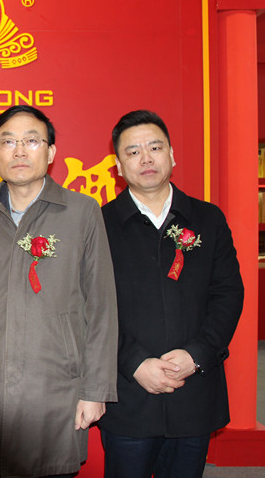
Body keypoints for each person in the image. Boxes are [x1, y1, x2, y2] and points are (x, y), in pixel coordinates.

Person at [0, 105, 118, 477]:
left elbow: (101, 308)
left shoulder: (82, 212)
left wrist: (94, 390)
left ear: (51, 151)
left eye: (31, 141)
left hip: (57, 388)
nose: (20, 151)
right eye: (8, 142)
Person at [97, 110, 244, 478]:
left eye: (155, 147)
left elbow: (227, 294)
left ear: (172, 155)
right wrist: (134, 362)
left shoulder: (208, 219)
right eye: (133, 152)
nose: (146, 158)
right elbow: (89, 306)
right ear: (118, 166)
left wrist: (197, 354)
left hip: (192, 389)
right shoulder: (99, 225)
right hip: (128, 393)